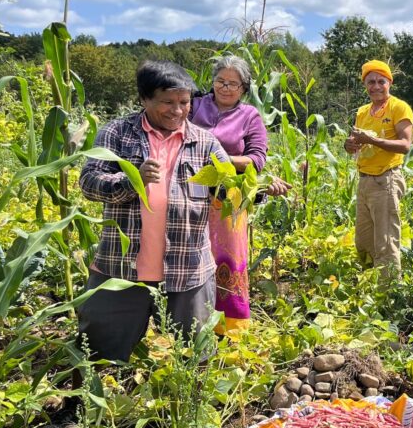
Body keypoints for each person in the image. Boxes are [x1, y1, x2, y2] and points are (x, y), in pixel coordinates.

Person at [77, 60, 230, 362]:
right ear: (144, 99)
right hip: (120, 270)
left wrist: (255, 190)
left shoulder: (205, 143)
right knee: (96, 352)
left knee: (196, 356)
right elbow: (89, 182)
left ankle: (191, 410)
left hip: (188, 271)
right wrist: (132, 178)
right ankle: (84, 408)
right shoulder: (118, 134)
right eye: (167, 102)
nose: (177, 110)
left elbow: (227, 190)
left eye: (184, 102)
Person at [189, 55, 288, 333]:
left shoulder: (249, 116)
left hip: (229, 198)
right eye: (220, 81)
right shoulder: (194, 106)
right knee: (190, 254)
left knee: (228, 257)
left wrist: (218, 159)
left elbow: (257, 159)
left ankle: (228, 326)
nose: (225, 87)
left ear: (244, 88)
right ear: (212, 82)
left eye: (233, 83)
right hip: (189, 192)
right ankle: (191, 323)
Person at [342, 60, 413, 280]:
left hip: (386, 179)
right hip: (365, 181)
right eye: (370, 82)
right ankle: (372, 285)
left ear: (389, 82)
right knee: (363, 242)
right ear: (365, 85)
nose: (375, 86)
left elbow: (405, 145)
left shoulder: (399, 107)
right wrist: (350, 145)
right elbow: (355, 143)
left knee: (385, 241)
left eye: (380, 81)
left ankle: (391, 295)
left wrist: (374, 140)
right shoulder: (363, 112)